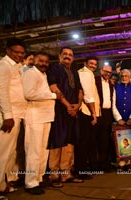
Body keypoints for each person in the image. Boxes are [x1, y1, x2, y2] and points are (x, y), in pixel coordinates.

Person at [22, 52, 59, 194]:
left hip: (46, 117)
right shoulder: (31, 73)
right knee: (33, 152)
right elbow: (28, 94)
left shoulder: (43, 74)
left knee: (43, 151)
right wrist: (53, 95)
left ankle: (39, 178)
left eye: (46, 62)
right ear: (34, 61)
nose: (44, 63)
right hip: (34, 117)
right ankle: (30, 183)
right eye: (40, 61)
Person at [46, 47, 83, 187]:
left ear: (73, 58)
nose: (68, 56)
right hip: (59, 110)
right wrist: (68, 105)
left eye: (70, 55)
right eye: (65, 54)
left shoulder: (74, 71)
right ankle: (54, 174)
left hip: (73, 111)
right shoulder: (54, 68)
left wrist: (78, 105)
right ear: (59, 55)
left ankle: (66, 173)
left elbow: (80, 90)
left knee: (70, 142)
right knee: (57, 141)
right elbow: (53, 87)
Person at [0, 38, 27, 194]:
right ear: (8, 50)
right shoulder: (3, 65)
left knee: (10, 152)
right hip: (8, 116)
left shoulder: (18, 67)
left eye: (22, 52)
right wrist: (7, 115)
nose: (19, 55)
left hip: (17, 114)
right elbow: (2, 91)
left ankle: (1, 185)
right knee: (1, 153)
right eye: (16, 52)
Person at [76, 56, 100, 179]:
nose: (93, 66)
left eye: (95, 64)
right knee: (84, 143)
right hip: (86, 113)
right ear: (85, 63)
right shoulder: (86, 73)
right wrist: (94, 113)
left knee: (87, 143)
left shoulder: (86, 73)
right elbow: (88, 95)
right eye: (91, 63)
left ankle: (84, 169)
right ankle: (81, 171)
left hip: (86, 112)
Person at [113, 69, 131, 170]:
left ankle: (129, 162)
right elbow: (113, 104)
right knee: (119, 141)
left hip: (130, 120)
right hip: (119, 121)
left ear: (130, 77)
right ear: (120, 77)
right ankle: (121, 162)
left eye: (126, 76)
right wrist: (118, 118)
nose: (124, 78)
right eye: (122, 76)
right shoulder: (115, 88)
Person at [94, 64, 115, 171]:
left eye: (109, 72)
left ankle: (103, 164)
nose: (107, 73)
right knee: (94, 140)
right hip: (97, 113)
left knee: (105, 141)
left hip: (107, 114)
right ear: (101, 71)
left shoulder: (111, 84)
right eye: (105, 71)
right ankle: (94, 165)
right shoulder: (94, 80)